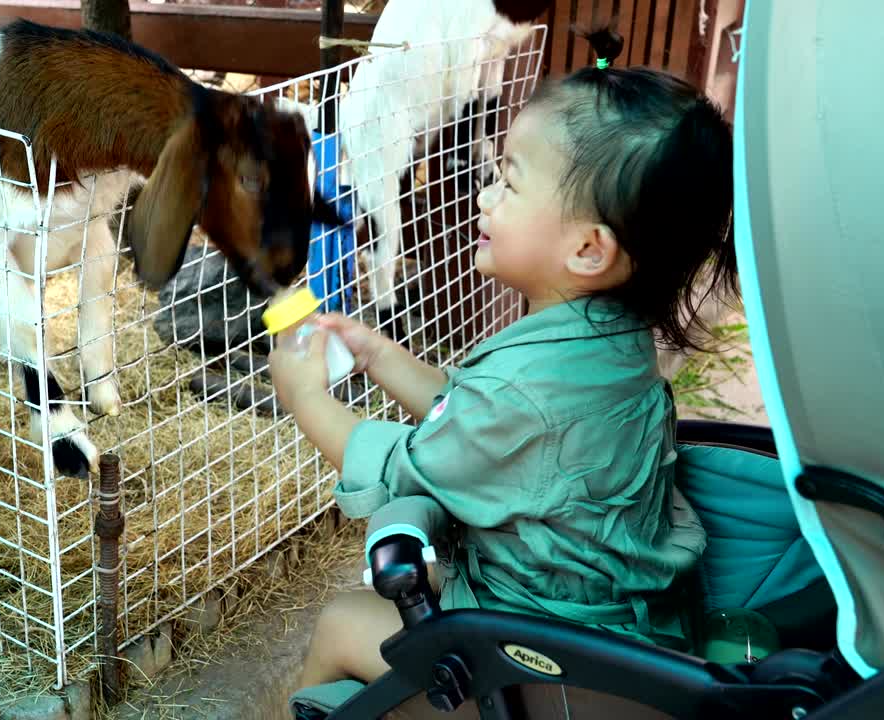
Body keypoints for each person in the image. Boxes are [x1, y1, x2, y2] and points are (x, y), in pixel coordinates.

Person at [268, 25, 738, 688]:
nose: (485, 197)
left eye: (509, 185)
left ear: (588, 250)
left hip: (553, 653)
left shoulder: (527, 390)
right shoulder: (611, 340)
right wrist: (377, 354)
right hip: (601, 613)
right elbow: (467, 413)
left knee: (342, 623)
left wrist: (305, 397)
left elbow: (408, 467)